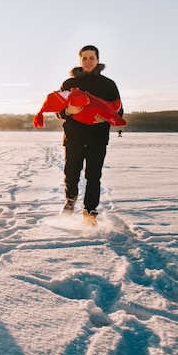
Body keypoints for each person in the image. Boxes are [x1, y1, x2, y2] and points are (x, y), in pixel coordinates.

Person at [57, 45, 123, 225]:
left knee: (93, 176)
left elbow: (119, 110)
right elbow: (58, 110)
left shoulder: (108, 85)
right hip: (73, 137)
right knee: (71, 173)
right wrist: (68, 110)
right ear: (80, 61)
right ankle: (70, 198)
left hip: (97, 139)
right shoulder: (68, 84)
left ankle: (90, 211)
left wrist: (106, 118)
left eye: (91, 58)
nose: (88, 61)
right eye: (84, 58)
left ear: (97, 60)